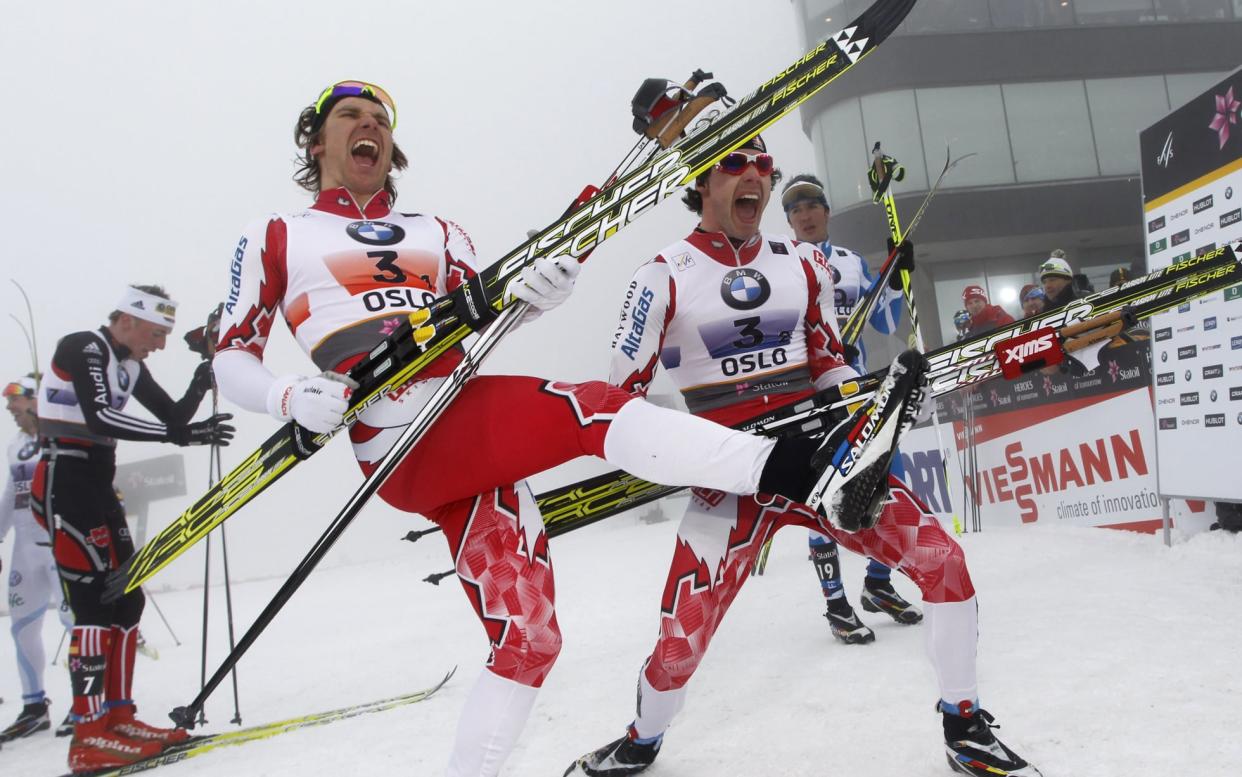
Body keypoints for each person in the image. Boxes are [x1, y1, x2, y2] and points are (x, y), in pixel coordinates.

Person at [210, 80, 907, 777]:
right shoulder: (279, 233)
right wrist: (286, 394)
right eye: (350, 118)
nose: (369, 128)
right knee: (595, 407)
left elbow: (486, 316)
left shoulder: (438, 232)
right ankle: (806, 476)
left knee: (532, 639)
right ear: (316, 140)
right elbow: (230, 356)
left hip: (460, 419)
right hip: (397, 429)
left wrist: (542, 295)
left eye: (379, 121)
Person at [568, 140, 1040, 777]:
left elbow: (824, 358)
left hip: (816, 458)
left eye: (764, 166)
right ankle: (642, 738)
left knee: (944, 563)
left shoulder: (802, 263)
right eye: (736, 164)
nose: (755, 178)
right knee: (680, 640)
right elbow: (622, 401)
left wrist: (858, 400)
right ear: (702, 181)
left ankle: (965, 727)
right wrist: (679, 449)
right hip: (728, 476)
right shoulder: (662, 275)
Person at [31, 285, 233, 772]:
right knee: (94, 602)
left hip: (98, 482)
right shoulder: (84, 346)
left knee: (128, 597)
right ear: (127, 319)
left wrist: (204, 377)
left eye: (166, 334)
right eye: (156, 332)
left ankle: (118, 718)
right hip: (66, 480)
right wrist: (181, 436)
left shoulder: (130, 366)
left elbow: (174, 417)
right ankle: (88, 733)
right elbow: (102, 415)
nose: (160, 344)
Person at [777, 173, 922, 644]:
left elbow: (884, 322)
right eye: (795, 207)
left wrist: (895, 281)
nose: (805, 213)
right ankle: (836, 605)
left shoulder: (851, 264)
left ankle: (878, 584)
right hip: (807, 396)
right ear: (788, 220)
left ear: (826, 210)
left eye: (813, 203)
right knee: (819, 495)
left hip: (856, 391)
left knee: (884, 482)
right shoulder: (777, 265)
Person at [0, 374, 73, 744]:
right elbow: (11, 493)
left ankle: (86, 703)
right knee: (22, 628)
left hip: (58, 543)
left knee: (73, 621)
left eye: (15, 398)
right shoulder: (15, 446)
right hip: (24, 552)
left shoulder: (58, 433)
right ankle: (33, 708)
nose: (9, 407)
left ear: (34, 399)